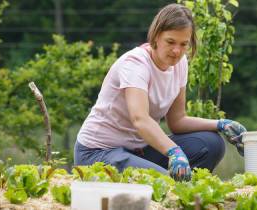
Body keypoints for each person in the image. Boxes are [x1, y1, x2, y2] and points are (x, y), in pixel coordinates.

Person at [74, 3, 247, 181]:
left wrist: (221, 124)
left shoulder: (180, 64)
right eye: (170, 42)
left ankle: (188, 193)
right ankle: (178, 191)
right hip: (99, 153)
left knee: (212, 143)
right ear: (156, 36)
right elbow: (139, 119)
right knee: (165, 181)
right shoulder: (136, 64)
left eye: (184, 44)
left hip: (140, 150)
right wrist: (174, 152)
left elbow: (178, 121)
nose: (177, 51)